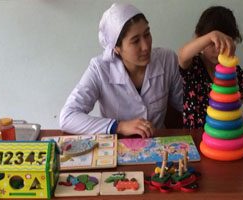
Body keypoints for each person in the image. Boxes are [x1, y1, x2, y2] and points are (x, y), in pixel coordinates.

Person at [60, 3, 183, 138]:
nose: (146, 46)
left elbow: (184, 104)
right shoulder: (100, 69)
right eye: (135, 41)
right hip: (116, 147)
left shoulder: (167, 59)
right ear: (116, 48)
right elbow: (68, 116)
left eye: (147, 34)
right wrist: (119, 126)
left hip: (157, 145)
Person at [178, 6, 243, 143]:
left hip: (223, 141)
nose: (219, 50)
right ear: (199, 38)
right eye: (212, 43)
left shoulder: (234, 71)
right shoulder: (193, 65)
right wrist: (211, 35)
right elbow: (183, 55)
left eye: (225, 42)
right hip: (195, 139)